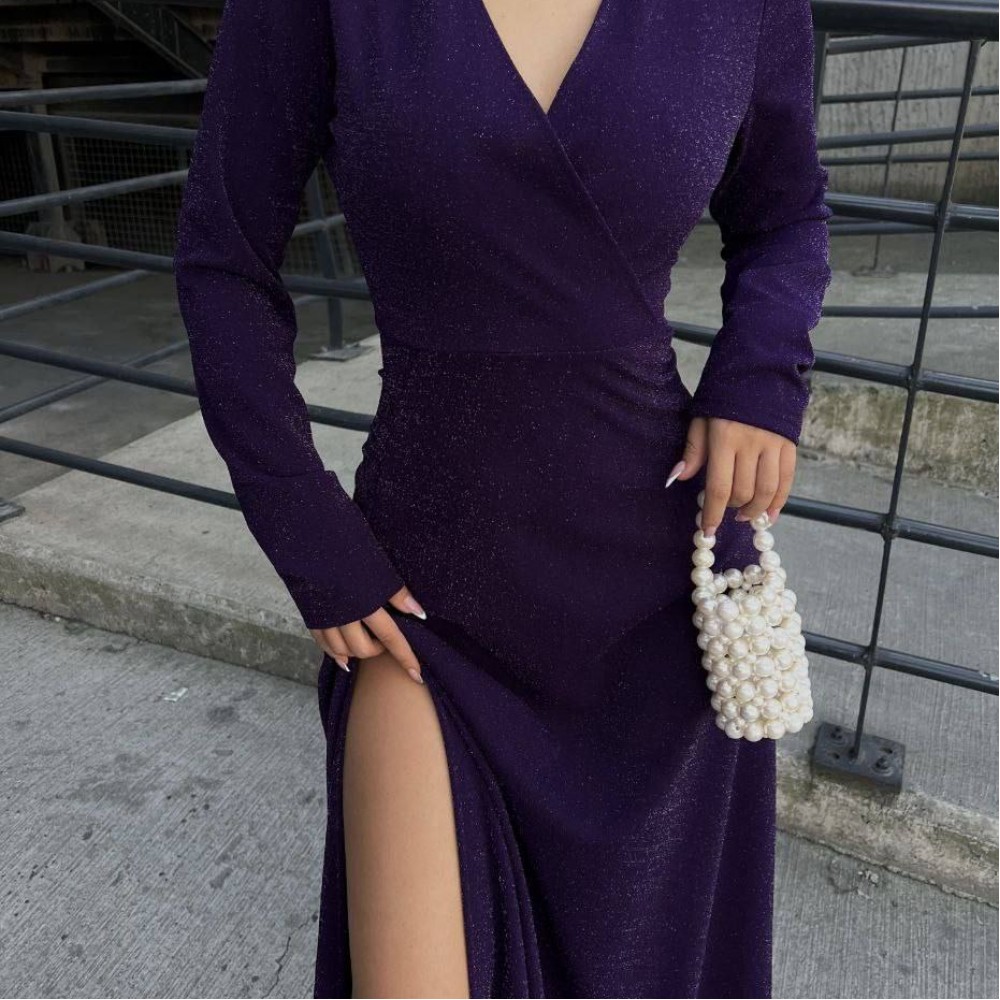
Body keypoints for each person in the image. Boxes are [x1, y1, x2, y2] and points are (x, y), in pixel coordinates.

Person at [173, 0, 832, 995]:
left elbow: (785, 215)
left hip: (662, 606)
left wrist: (761, 375)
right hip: (421, 601)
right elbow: (224, 262)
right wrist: (304, 526)